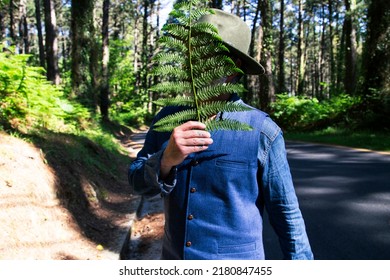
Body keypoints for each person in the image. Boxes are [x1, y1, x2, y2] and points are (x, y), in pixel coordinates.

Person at [128, 9, 314, 260]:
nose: (195, 62)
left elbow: (287, 217)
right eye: (193, 53)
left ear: (233, 66)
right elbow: (138, 183)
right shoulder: (166, 119)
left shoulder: (262, 131)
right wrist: (164, 160)